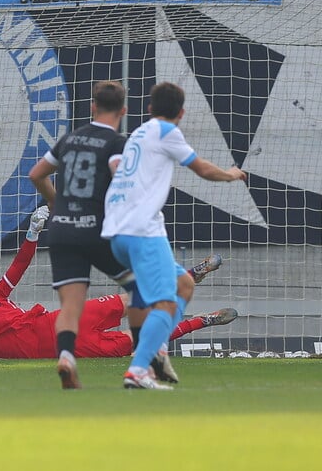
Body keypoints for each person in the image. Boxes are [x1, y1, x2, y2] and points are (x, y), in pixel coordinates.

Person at [0, 207, 238, 359]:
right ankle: (204, 321)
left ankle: (190, 275)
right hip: (69, 348)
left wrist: (32, 233)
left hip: (63, 320)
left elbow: (18, 266)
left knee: (128, 302)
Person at [102, 81, 247, 390]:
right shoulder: (167, 132)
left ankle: (157, 347)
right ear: (181, 113)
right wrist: (231, 174)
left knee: (184, 284)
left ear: (149, 108)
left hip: (117, 232)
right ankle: (140, 368)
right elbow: (204, 170)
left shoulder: (138, 134)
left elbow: (116, 168)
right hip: (141, 231)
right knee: (167, 302)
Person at [28, 80, 138, 390]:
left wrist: (54, 201)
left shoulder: (68, 139)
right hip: (94, 229)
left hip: (62, 230)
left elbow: (36, 174)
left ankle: (66, 356)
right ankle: (143, 362)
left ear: (92, 106)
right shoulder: (116, 143)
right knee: (139, 287)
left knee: (70, 308)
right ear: (124, 110)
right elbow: (120, 176)